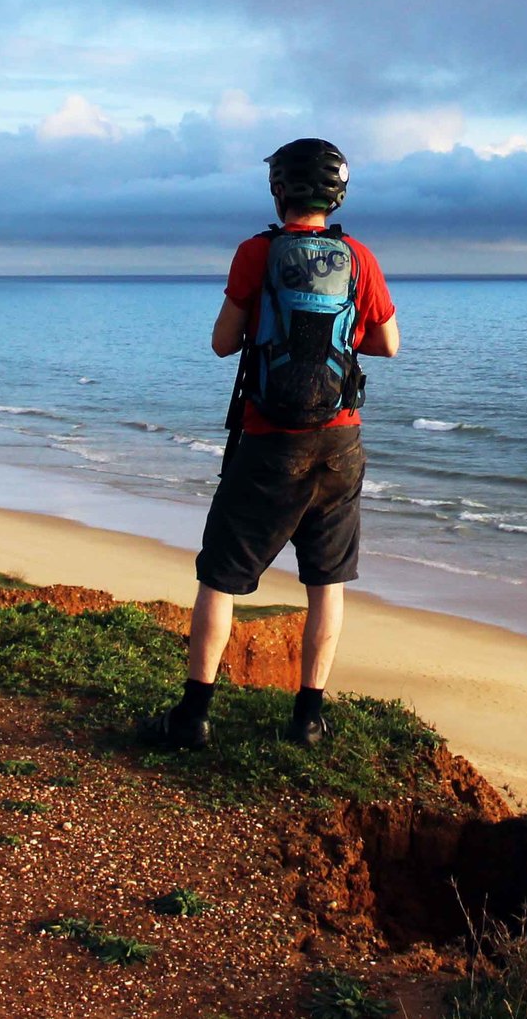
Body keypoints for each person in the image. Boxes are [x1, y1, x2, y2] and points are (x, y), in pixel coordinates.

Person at [147, 137, 398, 749]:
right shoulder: (359, 257)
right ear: (337, 194)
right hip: (339, 444)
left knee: (221, 578)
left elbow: (222, 343)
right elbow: (387, 344)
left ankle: (193, 717)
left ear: (278, 190)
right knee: (325, 583)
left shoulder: (257, 252)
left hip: (268, 443)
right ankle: (309, 718)